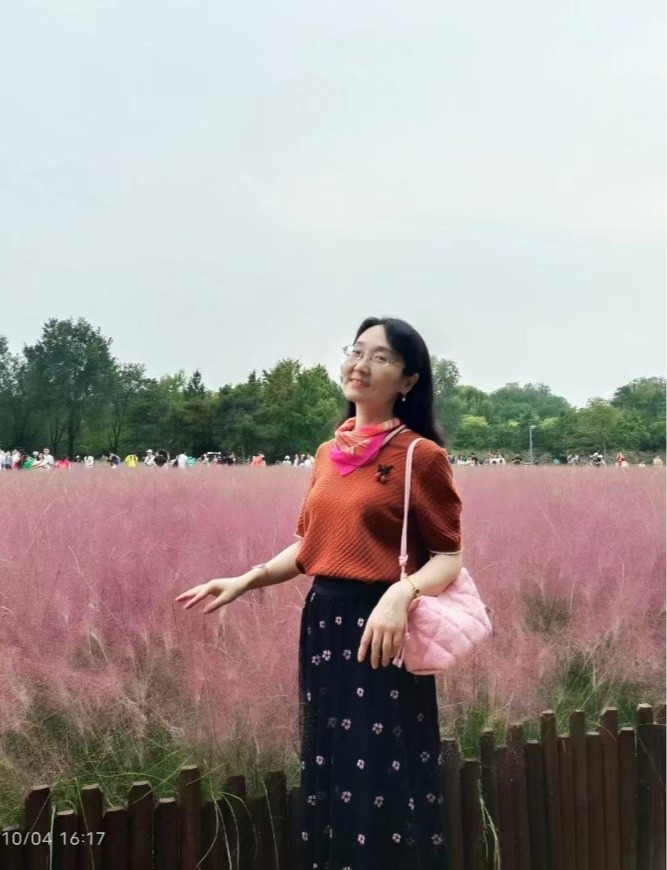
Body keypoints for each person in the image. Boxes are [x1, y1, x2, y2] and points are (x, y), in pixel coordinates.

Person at [176, 317, 462, 867]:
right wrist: (246, 579)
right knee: (331, 762)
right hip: (325, 626)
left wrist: (400, 595)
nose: (361, 365)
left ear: (408, 381)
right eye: (357, 351)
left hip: (381, 630)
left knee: (382, 767)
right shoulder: (327, 453)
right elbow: (309, 547)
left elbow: (449, 557)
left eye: (381, 357)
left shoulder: (420, 456)